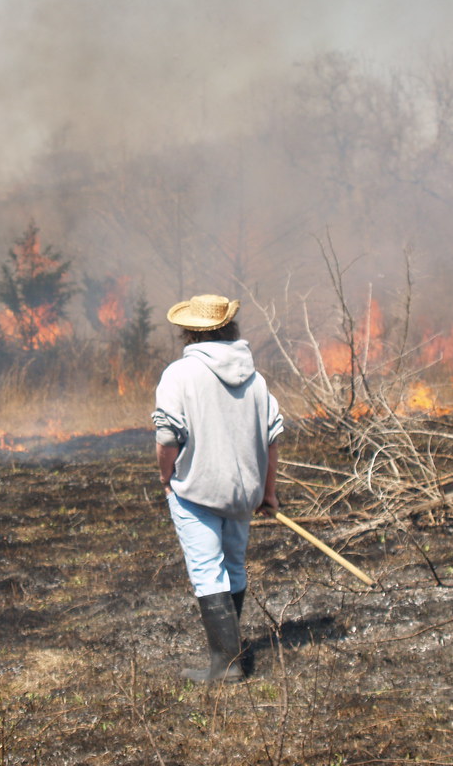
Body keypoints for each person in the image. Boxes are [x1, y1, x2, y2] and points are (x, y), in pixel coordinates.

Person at [151, 293, 283, 683]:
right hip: (244, 492)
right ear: (229, 328)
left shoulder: (179, 374)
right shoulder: (255, 379)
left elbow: (167, 438)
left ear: (188, 332)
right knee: (234, 567)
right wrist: (268, 492)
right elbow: (273, 438)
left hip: (197, 491)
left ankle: (226, 666)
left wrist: (166, 476)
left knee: (208, 571)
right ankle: (229, 656)